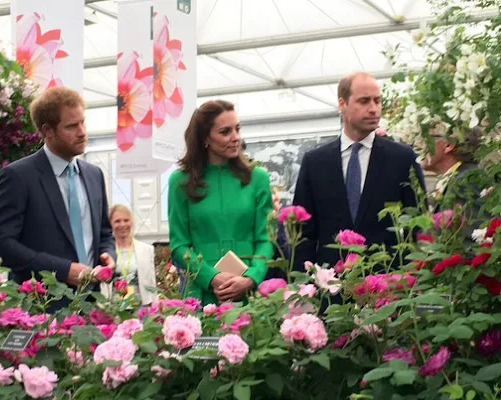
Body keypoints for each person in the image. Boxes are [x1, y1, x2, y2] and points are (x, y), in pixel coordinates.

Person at [0, 87, 116, 309]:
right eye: (72, 126)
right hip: (41, 307)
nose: (83, 132)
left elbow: (104, 232)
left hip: (91, 304)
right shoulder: (18, 177)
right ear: (48, 131)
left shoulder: (94, 175)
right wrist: (62, 270)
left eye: (83, 122)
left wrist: (108, 254)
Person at [292, 72, 425, 271]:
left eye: (377, 101)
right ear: (342, 104)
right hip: (331, 288)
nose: (373, 109)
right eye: (364, 101)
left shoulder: (402, 159)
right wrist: (303, 287)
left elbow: (419, 223)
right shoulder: (315, 163)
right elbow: (303, 233)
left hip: (389, 285)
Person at [168, 99, 274, 305]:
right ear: (205, 138)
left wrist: (252, 277)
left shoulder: (258, 178)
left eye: (237, 129)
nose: (236, 137)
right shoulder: (180, 182)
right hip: (200, 292)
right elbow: (179, 246)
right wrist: (211, 277)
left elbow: (266, 239)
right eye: (225, 132)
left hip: (248, 293)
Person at [101, 204, 157, 306]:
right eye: (117, 221)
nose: (122, 225)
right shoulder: (106, 253)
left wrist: (155, 308)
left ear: (132, 222)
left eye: (126, 220)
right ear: (110, 225)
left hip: (140, 308)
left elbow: (151, 283)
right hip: (114, 309)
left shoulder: (147, 250)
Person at [422, 127, 481, 212]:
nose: (417, 143)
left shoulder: (467, 180)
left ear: (448, 145)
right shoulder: (460, 177)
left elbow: (475, 222)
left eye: (427, 138)